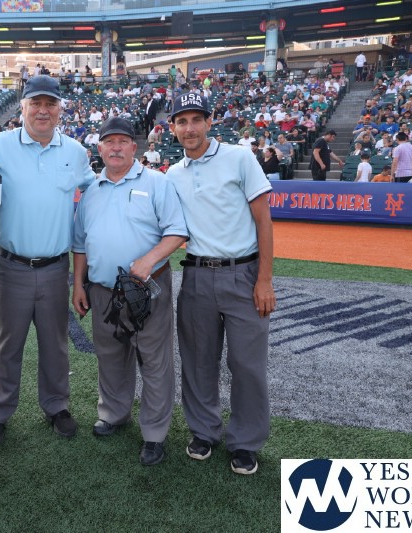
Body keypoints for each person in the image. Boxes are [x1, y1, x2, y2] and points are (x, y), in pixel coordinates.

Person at [0, 75, 96, 446]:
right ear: (23, 107)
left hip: (55, 268)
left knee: (55, 344)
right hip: (9, 265)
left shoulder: (75, 151)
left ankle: (56, 406)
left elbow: (95, 192)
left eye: (50, 104)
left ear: (60, 109)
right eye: (36, 103)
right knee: (5, 345)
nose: (43, 111)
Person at [166, 92, 275, 475]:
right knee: (197, 360)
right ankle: (204, 431)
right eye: (182, 121)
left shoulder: (239, 157)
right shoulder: (173, 174)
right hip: (196, 274)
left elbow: (263, 220)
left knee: (247, 364)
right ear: (173, 127)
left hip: (243, 273)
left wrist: (264, 279)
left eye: (196, 119)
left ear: (209, 122)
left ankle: (245, 442)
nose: (190, 128)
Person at [71, 117, 187, 465]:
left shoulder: (156, 182)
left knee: (154, 360)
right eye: (110, 142)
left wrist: (149, 259)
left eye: (123, 141)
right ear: (100, 148)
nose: (116, 147)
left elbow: (177, 231)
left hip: (147, 289)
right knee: (110, 356)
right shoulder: (91, 191)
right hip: (103, 290)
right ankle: (113, 413)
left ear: (134, 148)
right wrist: (78, 284)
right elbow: (80, 244)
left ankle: (154, 433)